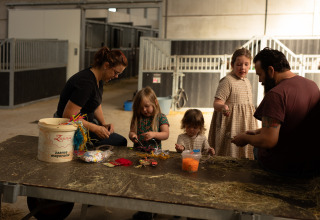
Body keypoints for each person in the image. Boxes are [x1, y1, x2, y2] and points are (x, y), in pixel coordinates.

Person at [231, 47, 320, 178]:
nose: (260, 80)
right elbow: (293, 123)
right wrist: (259, 131)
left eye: (260, 74)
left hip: (288, 166)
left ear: (271, 70)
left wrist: (246, 138)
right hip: (312, 165)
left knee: (257, 148)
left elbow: (268, 141)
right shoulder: (312, 85)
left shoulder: (276, 94)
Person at [55, 46, 128, 147]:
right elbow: (69, 116)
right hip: (69, 128)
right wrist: (95, 128)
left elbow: (96, 104)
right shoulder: (86, 82)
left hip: (84, 124)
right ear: (106, 65)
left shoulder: (98, 78)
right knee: (120, 142)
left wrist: (103, 124)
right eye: (116, 72)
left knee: (114, 139)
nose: (116, 77)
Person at [208, 47, 258, 159]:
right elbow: (216, 103)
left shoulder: (247, 81)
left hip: (245, 123)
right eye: (239, 64)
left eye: (246, 64)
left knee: (245, 153)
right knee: (230, 152)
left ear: (250, 65)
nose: (243, 68)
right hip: (231, 124)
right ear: (232, 64)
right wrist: (223, 107)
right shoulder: (227, 81)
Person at [129, 86, 170, 151]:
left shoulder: (161, 117)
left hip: (155, 153)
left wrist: (154, 134)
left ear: (155, 102)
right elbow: (132, 131)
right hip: (138, 151)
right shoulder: (137, 117)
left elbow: (166, 134)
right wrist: (132, 135)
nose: (144, 109)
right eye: (141, 107)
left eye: (147, 106)